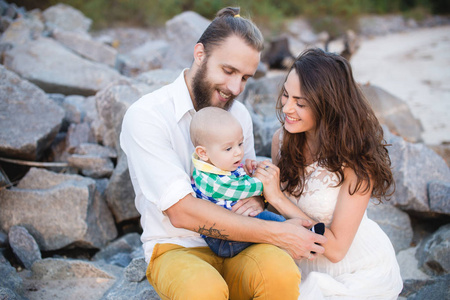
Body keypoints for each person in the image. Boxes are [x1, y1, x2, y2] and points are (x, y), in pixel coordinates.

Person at [120, 7, 327, 300]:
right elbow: (180, 212)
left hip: (240, 241)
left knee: (280, 272)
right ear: (200, 54)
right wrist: (280, 234)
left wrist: (256, 198)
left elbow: (246, 178)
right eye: (228, 71)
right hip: (176, 246)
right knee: (203, 290)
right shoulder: (147, 115)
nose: (234, 88)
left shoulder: (238, 113)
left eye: (245, 78)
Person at [253, 48, 403, 299]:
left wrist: (277, 197)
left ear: (327, 106)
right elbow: (278, 211)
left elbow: (335, 249)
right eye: (286, 96)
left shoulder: (357, 161)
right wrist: (258, 191)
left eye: (300, 103)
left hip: (354, 270)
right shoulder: (282, 140)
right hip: (298, 262)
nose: (288, 108)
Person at [190, 107, 321, 258]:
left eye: (240, 144)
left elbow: (237, 176)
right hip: (223, 240)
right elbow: (239, 189)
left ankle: (301, 235)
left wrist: (249, 171)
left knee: (267, 220)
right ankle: (302, 236)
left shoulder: (217, 164)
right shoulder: (209, 180)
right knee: (272, 221)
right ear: (203, 153)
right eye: (228, 148)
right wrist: (262, 183)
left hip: (238, 228)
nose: (238, 152)